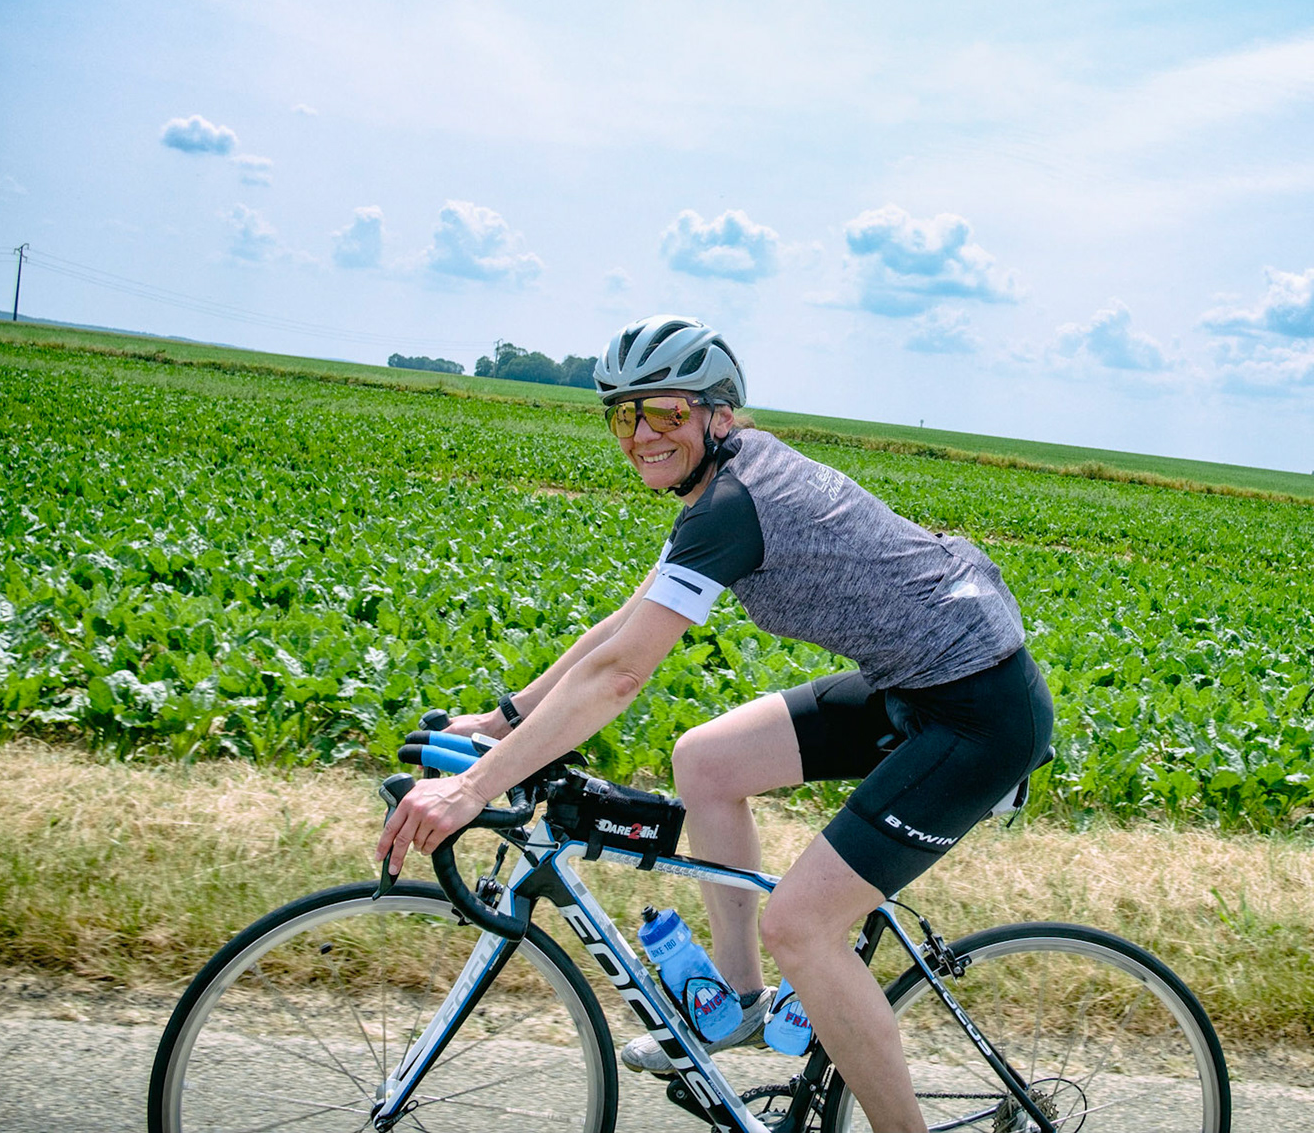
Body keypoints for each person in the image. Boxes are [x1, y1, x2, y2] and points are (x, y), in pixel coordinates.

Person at [378, 313, 1054, 1131]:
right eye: (623, 415)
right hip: (914, 682)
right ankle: (737, 1005)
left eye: (663, 412)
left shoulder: (733, 502)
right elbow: (624, 631)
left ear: (718, 414)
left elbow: (623, 675)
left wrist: (475, 788)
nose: (640, 435)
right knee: (705, 762)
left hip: (981, 713)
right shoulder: (719, 492)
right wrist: (503, 720)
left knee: (802, 927)